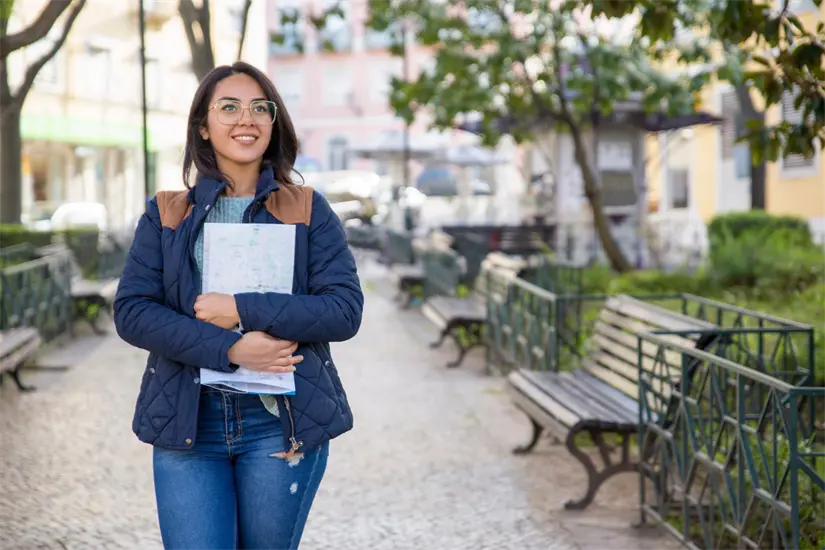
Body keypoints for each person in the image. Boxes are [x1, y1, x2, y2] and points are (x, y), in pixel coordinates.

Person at [113, 61, 363, 550]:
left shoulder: (308, 209)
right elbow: (134, 311)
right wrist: (230, 348)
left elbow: (344, 310)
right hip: (189, 423)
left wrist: (241, 308)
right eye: (228, 107)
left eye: (259, 108)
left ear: (273, 124)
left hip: (278, 424)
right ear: (203, 127)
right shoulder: (167, 212)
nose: (245, 119)